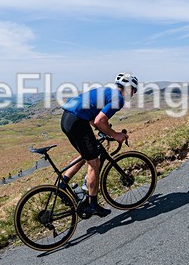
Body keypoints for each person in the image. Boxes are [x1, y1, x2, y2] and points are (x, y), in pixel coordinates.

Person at [59, 72, 137, 217]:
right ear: (129, 88)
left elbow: (93, 118)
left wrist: (105, 130)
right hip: (77, 121)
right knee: (94, 162)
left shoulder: (107, 91)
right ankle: (92, 205)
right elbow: (99, 121)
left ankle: (62, 184)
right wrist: (115, 135)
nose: (133, 94)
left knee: (88, 153)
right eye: (134, 91)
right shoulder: (118, 99)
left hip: (68, 118)